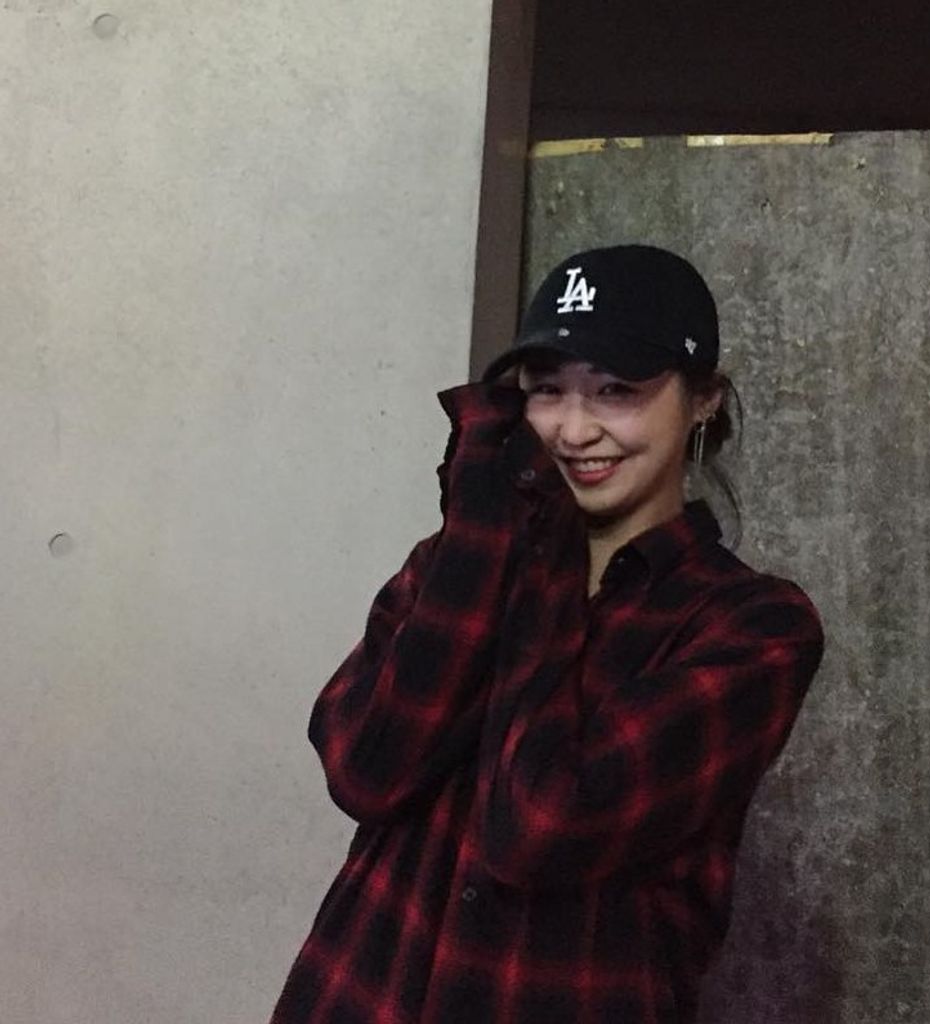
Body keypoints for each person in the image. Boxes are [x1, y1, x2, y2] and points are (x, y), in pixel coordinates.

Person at [270, 244, 825, 1023]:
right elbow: (365, 771)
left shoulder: (752, 627)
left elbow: (540, 827)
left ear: (703, 399)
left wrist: (543, 568)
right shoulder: (456, 562)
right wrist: (483, 539)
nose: (572, 429)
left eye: (617, 390)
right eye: (546, 390)